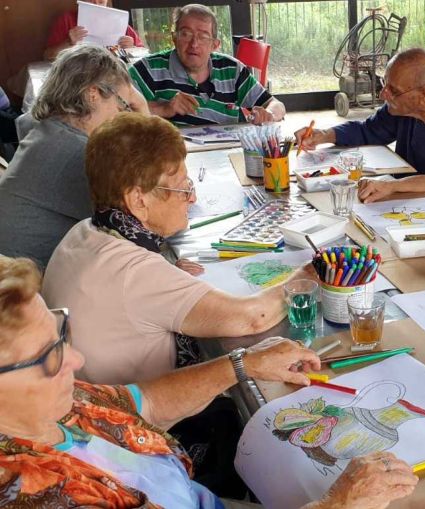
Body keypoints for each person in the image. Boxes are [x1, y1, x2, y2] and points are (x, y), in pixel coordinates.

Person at [0, 255, 418, 508]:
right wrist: (337, 504)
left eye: (61, 332)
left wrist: (244, 363)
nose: (76, 359)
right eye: (49, 355)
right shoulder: (37, 493)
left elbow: (141, 401)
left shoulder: (51, 408)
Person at [42, 113, 317, 385]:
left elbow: (123, 296)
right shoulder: (138, 273)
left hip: (84, 401)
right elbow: (253, 318)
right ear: (138, 201)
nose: (193, 198)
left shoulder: (82, 232)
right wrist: (308, 274)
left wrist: (166, 275)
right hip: (135, 420)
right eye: (183, 189)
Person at [0, 45, 148, 269]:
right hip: (32, 289)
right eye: (123, 104)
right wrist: (144, 113)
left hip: (20, 275)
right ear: (93, 94)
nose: (124, 114)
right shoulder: (76, 153)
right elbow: (144, 219)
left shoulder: (45, 128)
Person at [294, 48, 425, 178]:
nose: (383, 94)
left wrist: (395, 190)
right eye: (384, 83)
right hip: (400, 199)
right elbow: (367, 131)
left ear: (424, 94)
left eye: (393, 90)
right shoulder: (403, 108)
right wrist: (323, 135)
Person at [129, 4, 284, 126]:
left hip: (226, 157)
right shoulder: (147, 70)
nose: (194, 44)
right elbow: (116, 115)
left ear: (215, 45)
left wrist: (269, 114)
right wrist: (164, 108)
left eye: (203, 36)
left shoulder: (231, 70)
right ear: (174, 38)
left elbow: (275, 104)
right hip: (170, 160)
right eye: (186, 34)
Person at [44, 0, 145, 61]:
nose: (96, 4)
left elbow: (144, 55)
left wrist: (131, 48)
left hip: (111, 78)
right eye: (91, 1)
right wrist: (69, 42)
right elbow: (47, 56)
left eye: (101, 1)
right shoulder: (67, 19)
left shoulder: (119, 22)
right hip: (76, 77)